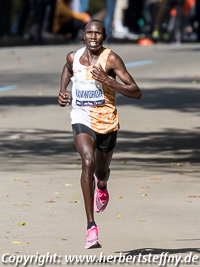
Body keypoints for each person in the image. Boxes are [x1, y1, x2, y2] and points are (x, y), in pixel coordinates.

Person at [58, 19, 142, 249]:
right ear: (83, 35)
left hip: (107, 121)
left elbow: (136, 92)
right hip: (82, 117)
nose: (93, 36)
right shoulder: (73, 57)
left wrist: (108, 81)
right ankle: (91, 228)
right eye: (89, 32)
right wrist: (63, 91)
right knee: (88, 161)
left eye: (97, 33)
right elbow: (67, 70)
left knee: (101, 170)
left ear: (104, 36)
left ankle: (102, 185)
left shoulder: (111, 59)